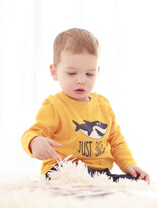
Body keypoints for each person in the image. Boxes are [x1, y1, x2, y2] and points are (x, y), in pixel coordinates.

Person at [21, 28, 150, 184]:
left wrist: (129, 164)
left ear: (97, 71)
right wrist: (34, 141)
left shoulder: (103, 105)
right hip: (62, 169)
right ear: (54, 72)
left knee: (134, 180)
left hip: (99, 173)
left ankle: (105, 182)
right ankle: (95, 182)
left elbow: (116, 141)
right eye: (72, 73)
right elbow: (32, 132)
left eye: (89, 74)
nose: (81, 80)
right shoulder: (54, 105)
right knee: (69, 170)